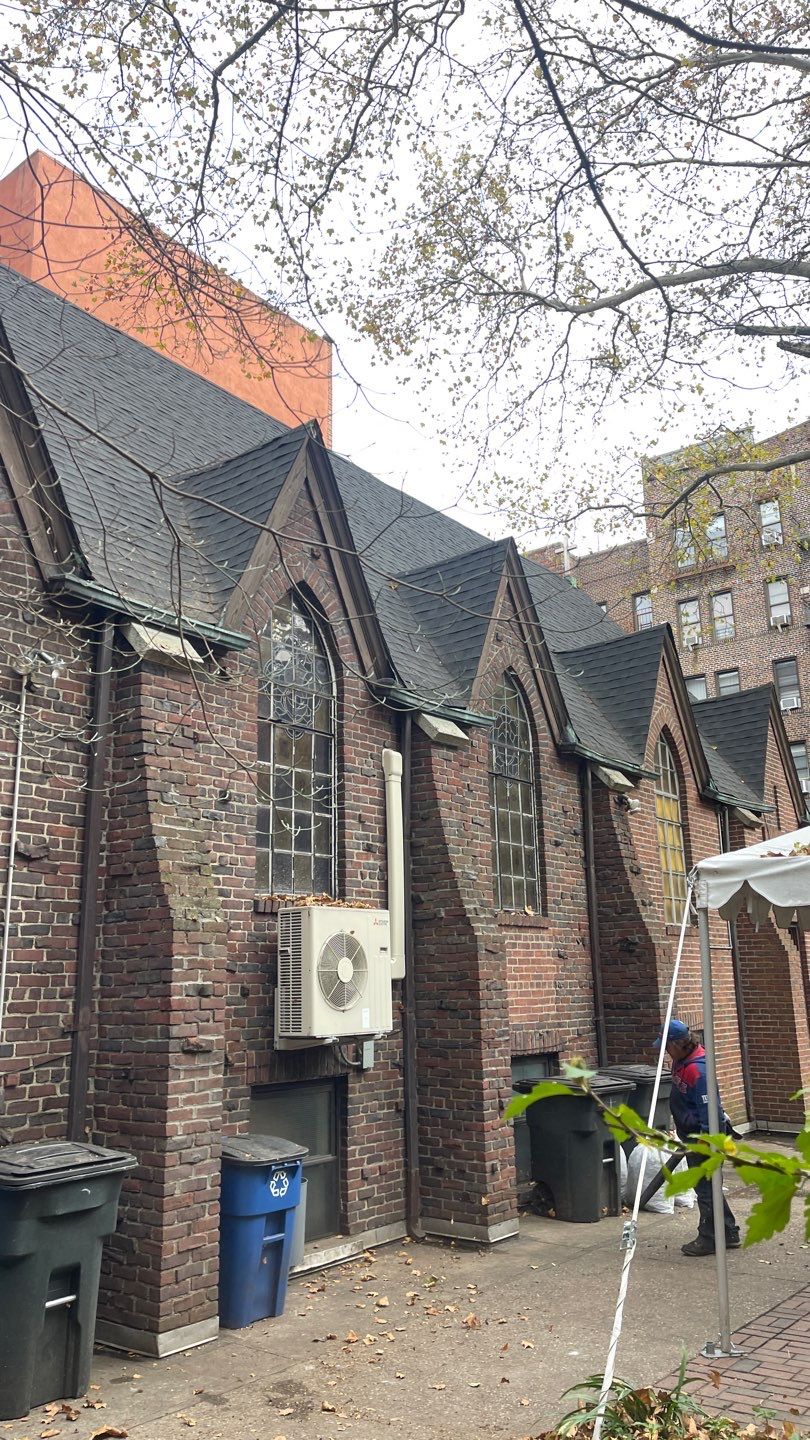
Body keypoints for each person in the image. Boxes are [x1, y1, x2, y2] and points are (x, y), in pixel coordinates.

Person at [654, 1017, 740, 1257]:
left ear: (677, 1044)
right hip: (692, 1133)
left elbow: (710, 1112)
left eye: (665, 1046)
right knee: (708, 1187)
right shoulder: (681, 1060)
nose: (664, 1052)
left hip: (705, 1138)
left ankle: (709, 1238)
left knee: (705, 1189)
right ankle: (729, 1233)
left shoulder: (697, 1069)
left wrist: (705, 1145)